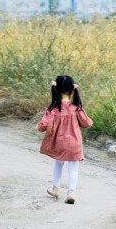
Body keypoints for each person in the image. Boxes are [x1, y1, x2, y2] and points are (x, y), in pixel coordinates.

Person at [36, 74, 93, 203]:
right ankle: (71, 192)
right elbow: (87, 123)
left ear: (55, 89)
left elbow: (44, 124)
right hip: (74, 143)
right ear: (73, 90)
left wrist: (38, 127)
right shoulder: (77, 108)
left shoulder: (53, 109)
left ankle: (55, 188)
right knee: (73, 167)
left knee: (58, 163)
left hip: (59, 143)